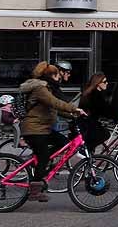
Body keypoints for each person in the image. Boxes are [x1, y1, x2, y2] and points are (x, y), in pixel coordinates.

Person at [18, 62, 87, 202]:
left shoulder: (47, 87)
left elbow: (56, 109)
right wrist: (74, 109)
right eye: (57, 75)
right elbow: (55, 103)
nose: (59, 78)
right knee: (43, 155)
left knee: (64, 143)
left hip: (42, 128)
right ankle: (35, 191)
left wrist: (74, 116)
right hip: (34, 129)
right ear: (51, 75)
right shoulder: (40, 89)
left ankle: (40, 166)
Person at [78, 73, 118, 150]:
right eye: (105, 82)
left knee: (99, 135)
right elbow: (104, 109)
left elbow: (105, 108)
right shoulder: (95, 95)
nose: (107, 83)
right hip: (88, 124)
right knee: (104, 134)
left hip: (87, 122)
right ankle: (85, 150)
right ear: (98, 83)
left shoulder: (92, 93)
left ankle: (89, 154)